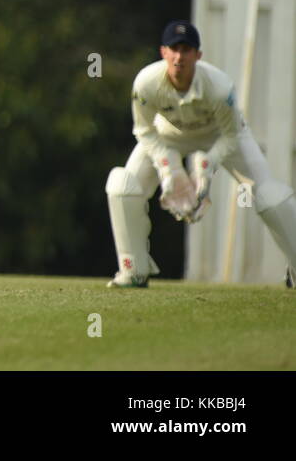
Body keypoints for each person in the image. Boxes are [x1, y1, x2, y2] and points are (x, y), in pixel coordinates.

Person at [105, 20, 296, 287]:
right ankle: (133, 270)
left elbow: (231, 135)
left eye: (186, 50)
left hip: (221, 137)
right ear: (163, 52)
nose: (179, 57)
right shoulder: (146, 83)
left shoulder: (220, 87)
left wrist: (206, 166)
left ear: (198, 55)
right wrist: (168, 168)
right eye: (174, 49)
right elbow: (144, 131)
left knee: (271, 197)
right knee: (122, 186)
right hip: (167, 137)